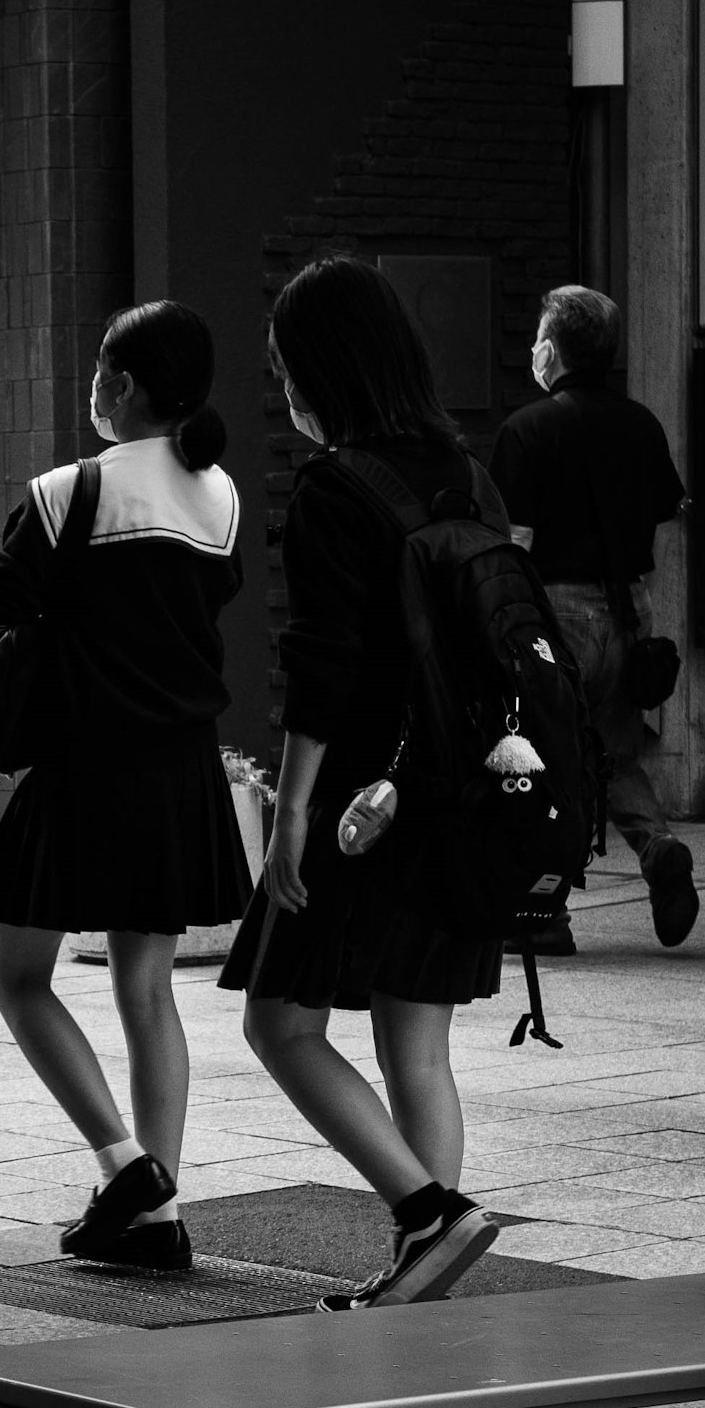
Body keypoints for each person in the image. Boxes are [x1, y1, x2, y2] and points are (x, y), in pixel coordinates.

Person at [222, 257, 511, 1311]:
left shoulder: (336, 487)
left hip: (358, 801)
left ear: (318, 370)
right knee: (417, 1044)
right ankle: (428, 1269)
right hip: (462, 792)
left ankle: (430, 1217)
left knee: (280, 1024)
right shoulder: (465, 472)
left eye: (283, 367)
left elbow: (325, 668)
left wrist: (290, 809)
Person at [0, 301, 254, 1272]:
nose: (92, 386)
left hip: (85, 770)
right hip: (182, 775)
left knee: (13, 976)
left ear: (124, 386)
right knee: (147, 989)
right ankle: (157, 1219)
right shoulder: (221, 499)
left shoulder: (66, 495)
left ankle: (124, 1164)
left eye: (99, 370)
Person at [488, 284, 695, 948]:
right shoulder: (642, 424)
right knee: (615, 745)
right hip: (629, 607)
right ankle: (659, 848)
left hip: (557, 609)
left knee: (546, 756)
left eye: (536, 338)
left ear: (551, 348)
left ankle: (545, 911)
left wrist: (502, 625)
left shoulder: (528, 430)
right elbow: (670, 511)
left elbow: (512, 545)